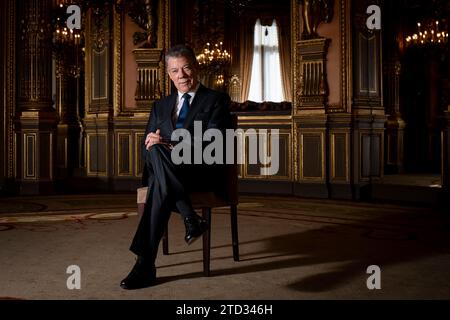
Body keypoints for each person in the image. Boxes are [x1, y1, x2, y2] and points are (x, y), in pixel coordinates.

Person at [120, 44, 232, 290]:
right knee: (155, 151)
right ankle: (190, 218)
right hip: (165, 170)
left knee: (160, 174)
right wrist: (156, 145)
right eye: (174, 71)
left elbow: (213, 141)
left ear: (197, 68)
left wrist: (169, 143)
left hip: (199, 172)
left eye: (186, 68)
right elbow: (146, 148)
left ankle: (145, 264)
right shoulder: (160, 106)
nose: (181, 75)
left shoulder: (216, 100)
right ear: (168, 74)